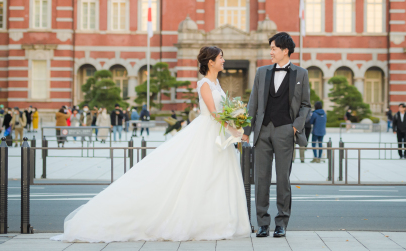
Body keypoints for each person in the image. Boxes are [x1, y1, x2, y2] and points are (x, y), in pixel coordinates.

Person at [51, 45, 250, 242]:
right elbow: (213, 113)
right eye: (221, 57)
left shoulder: (217, 84)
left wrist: (235, 122)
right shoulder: (205, 83)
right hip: (207, 132)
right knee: (199, 175)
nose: (224, 60)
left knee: (214, 177)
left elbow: (222, 112)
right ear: (211, 62)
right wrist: (234, 130)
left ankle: (216, 222)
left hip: (217, 134)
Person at [241, 32, 311, 239]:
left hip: (285, 130)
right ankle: (263, 223)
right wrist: (246, 132)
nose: (270, 52)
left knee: (283, 179)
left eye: (274, 48)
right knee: (261, 179)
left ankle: (281, 223)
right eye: (270, 48)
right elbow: (253, 104)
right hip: (262, 131)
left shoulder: (301, 74)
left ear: (285, 50)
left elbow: (305, 105)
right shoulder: (261, 72)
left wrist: (295, 127)